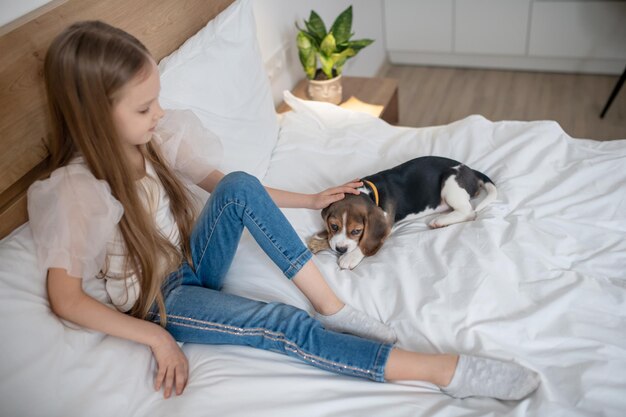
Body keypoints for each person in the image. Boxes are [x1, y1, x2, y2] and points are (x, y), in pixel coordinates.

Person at [28, 20, 540, 401]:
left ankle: (334, 308)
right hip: (162, 302)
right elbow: (67, 300)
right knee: (277, 323)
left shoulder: (155, 139)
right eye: (144, 109)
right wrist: (157, 338)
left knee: (237, 182)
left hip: (191, 264)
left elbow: (238, 193)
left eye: (155, 100)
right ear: (95, 113)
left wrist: (315, 201)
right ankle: (441, 371)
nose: (158, 113)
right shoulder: (77, 191)